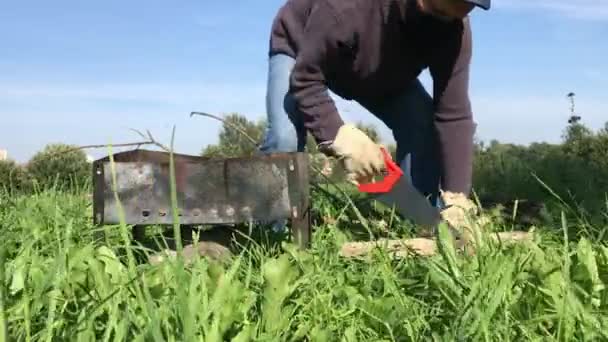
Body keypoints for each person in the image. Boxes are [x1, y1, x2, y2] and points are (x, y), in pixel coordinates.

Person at [259, 0, 490, 240]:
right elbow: (306, 80)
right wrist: (336, 135)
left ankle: (420, 227)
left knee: (422, 126)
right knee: (283, 139)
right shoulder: (346, 7)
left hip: (378, 65)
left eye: (460, 14)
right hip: (302, 45)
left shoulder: (454, 28)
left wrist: (457, 199)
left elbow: (453, 114)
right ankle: (270, 235)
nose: (447, 23)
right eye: (439, 12)